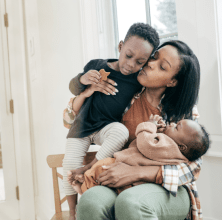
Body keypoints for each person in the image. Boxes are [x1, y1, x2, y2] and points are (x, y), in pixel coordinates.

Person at [69, 40, 203, 220]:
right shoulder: (126, 95)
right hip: (120, 182)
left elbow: (194, 167)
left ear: (172, 81)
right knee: (91, 201)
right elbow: (71, 120)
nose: (150, 63)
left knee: (131, 202)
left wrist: (137, 173)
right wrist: (87, 93)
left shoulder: (183, 111)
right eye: (154, 57)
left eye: (162, 67)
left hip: (169, 190)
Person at [62, 23, 160, 219]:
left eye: (140, 62)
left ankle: (90, 167)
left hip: (106, 128)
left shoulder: (137, 81)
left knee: (121, 132)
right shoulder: (96, 66)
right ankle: (72, 210)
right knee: (69, 164)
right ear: (120, 46)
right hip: (81, 126)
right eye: (129, 55)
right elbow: (73, 87)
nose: (131, 65)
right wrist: (83, 80)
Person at [70, 114, 210, 195]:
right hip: (136, 180)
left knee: (101, 169)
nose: (172, 123)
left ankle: (83, 187)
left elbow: (145, 144)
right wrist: (160, 133)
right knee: (104, 179)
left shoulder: (168, 146)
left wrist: (149, 126)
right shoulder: (175, 153)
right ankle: (85, 185)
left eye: (177, 127)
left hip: (126, 165)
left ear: (181, 146)